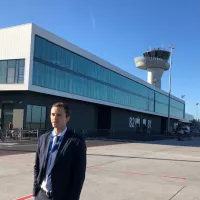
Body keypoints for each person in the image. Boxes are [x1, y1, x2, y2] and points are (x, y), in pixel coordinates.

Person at [33, 102, 87, 200]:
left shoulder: (76, 141)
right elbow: (37, 166)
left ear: (67, 118)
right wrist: (35, 191)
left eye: (59, 115)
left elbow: (79, 175)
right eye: (53, 114)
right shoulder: (43, 139)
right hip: (41, 195)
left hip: (62, 197)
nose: (55, 117)